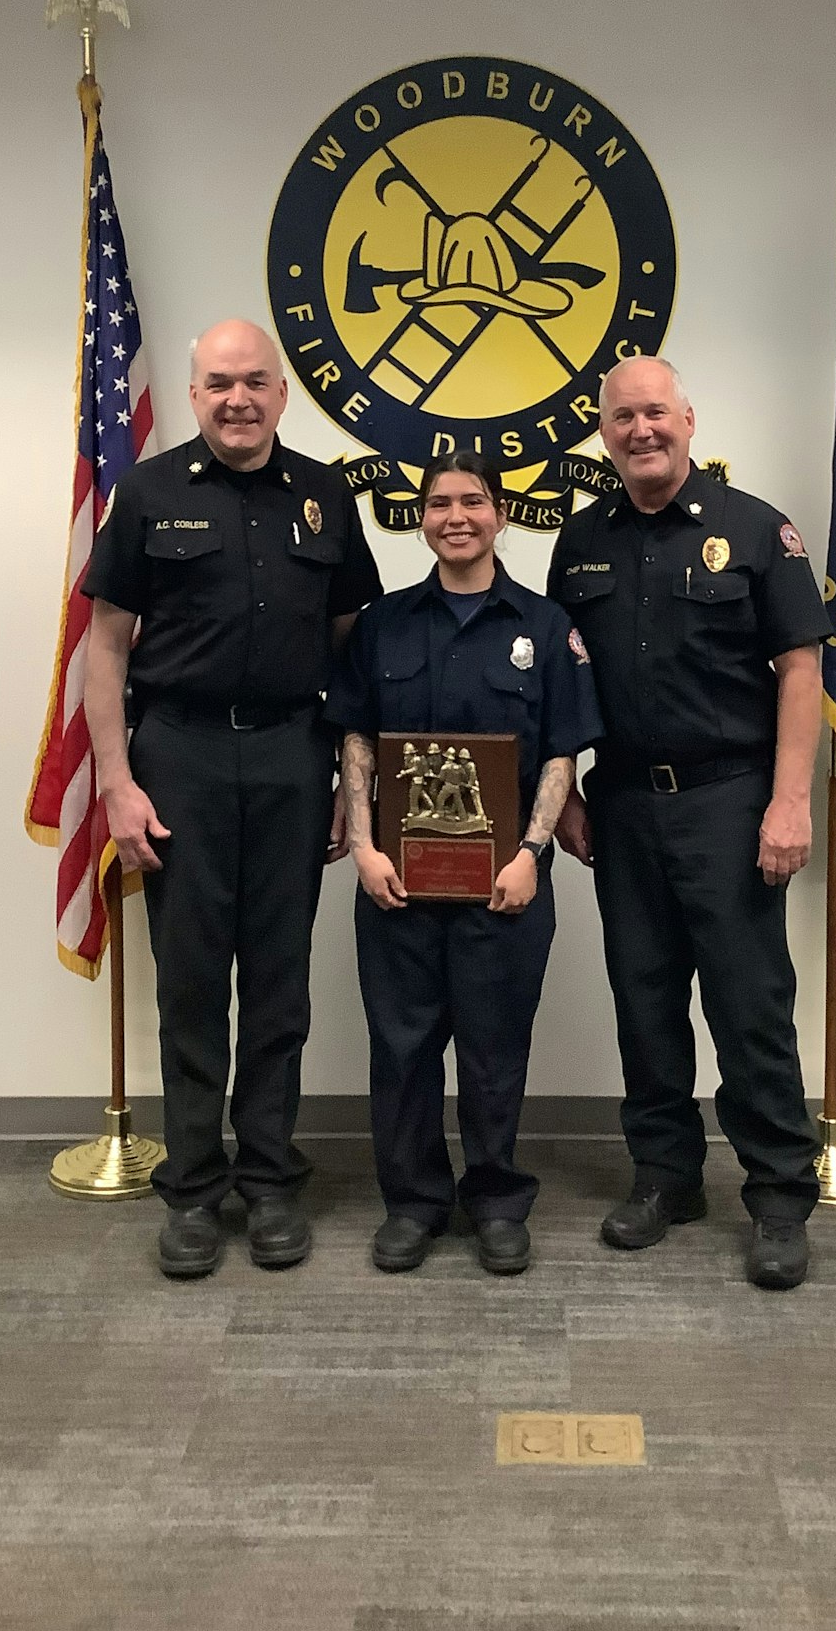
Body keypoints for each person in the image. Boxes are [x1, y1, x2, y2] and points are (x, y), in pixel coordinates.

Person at [83, 319, 382, 1278]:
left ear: (283, 391)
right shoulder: (150, 490)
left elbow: (349, 643)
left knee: (280, 984)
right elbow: (107, 648)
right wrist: (120, 786)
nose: (238, 399)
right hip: (181, 757)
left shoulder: (324, 493)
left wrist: (347, 779)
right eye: (219, 384)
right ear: (196, 391)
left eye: (255, 381)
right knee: (192, 982)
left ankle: (270, 1183)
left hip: (294, 754)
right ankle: (195, 1192)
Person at [547, 356, 830, 1290]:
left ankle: (780, 1196)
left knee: (750, 1006)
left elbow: (800, 670)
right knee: (646, 999)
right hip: (623, 804)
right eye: (623, 417)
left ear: (689, 419)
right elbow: (563, 682)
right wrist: (573, 794)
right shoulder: (579, 542)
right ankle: (666, 1176)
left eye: (656, 412)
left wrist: (791, 801)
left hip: (730, 800)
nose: (641, 430)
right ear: (604, 432)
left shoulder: (756, 530)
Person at [328, 453, 603, 1276]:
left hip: (506, 886)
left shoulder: (546, 627)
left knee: (494, 1048)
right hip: (397, 884)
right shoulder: (383, 623)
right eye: (439, 502)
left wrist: (533, 852)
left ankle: (494, 1198)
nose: (456, 515)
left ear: (501, 514)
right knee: (403, 1048)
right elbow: (357, 738)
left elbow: (560, 752)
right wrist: (364, 846)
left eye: (472, 501)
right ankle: (413, 1203)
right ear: (421, 518)